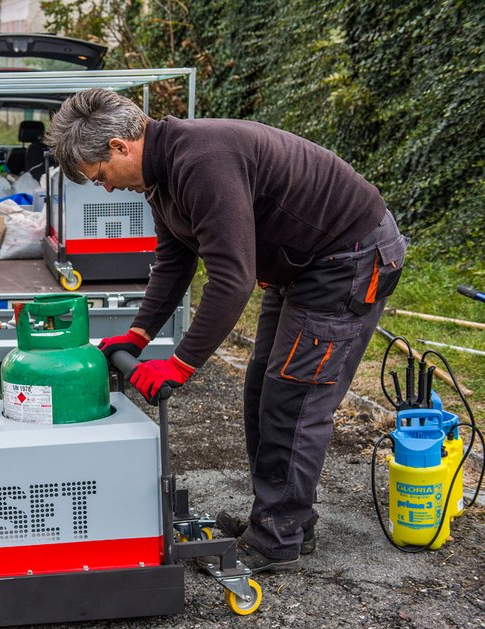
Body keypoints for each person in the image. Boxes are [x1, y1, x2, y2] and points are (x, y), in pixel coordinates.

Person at [46, 88, 408, 574]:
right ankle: (282, 516)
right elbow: (176, 259)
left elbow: (231, 278)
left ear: (118, 146)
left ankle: (279, 535)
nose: (107, 188)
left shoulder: (202, 161)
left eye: (102, 177)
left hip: (348, 258)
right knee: (262, 385)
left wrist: (180, 364)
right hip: (302, 264)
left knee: (294, 398)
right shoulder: (159, 173)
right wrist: (138, 336)